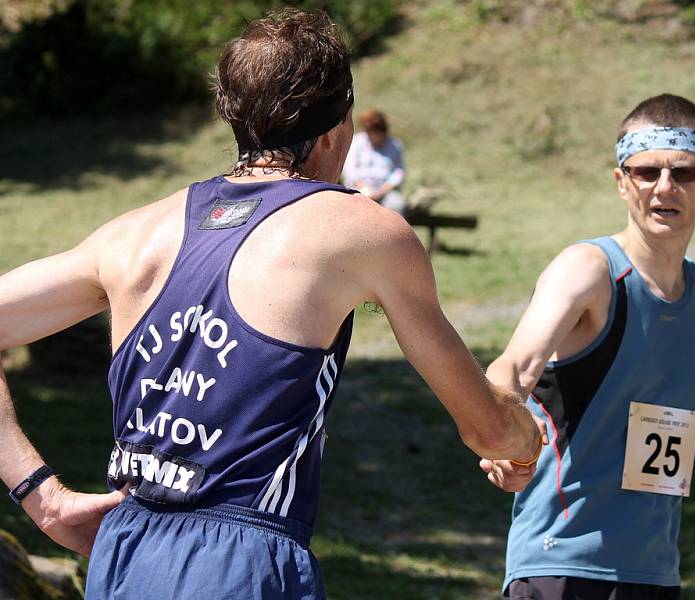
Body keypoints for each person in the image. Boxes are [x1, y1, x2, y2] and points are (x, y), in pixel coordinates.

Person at [0, 9, 543, 599]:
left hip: (125, 549)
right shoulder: (362, 231)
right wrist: (524, 437)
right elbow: (488, 430)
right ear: (338, 128)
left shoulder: (133, 234)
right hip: (243, 559)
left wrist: (42, 496)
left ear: (234, 117)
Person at [480, 94, 695, 599]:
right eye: (646, 171)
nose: (664, 187)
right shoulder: (590, 271)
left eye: (685, 173)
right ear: (621, 181)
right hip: (562, 563)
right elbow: (513, 366)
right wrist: (502, 437)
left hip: (655, 571)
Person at [342, 108, 406, 213]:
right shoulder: (357, 142)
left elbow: (398, 172)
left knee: (396, 205)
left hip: (384, 191)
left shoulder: (395, 145)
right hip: (359, 189)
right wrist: (364, 187)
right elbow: (350, 169)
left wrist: (382, 191)